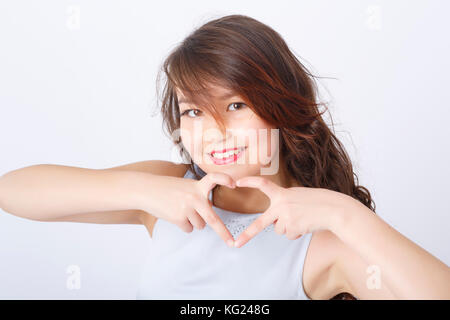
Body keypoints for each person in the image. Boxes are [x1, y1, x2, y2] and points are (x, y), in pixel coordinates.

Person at [1, 14, 449, 300]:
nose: (212, 132)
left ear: (285, 105)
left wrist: (344, 214)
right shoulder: (169, 193)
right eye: (193, 111)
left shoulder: (329, 244)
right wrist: (146, 190)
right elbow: (13, 192)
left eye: (234, 106)